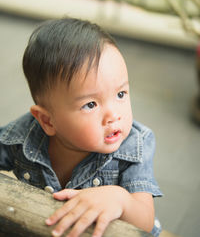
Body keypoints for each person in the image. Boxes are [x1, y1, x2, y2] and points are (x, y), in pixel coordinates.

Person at [0, 18, 162, 237]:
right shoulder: (22, 137)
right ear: (47, 121)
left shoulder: (134, 146)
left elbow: (145, 222)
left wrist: (120, 199)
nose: (114, 115)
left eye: (121, 94)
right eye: (91, 104)